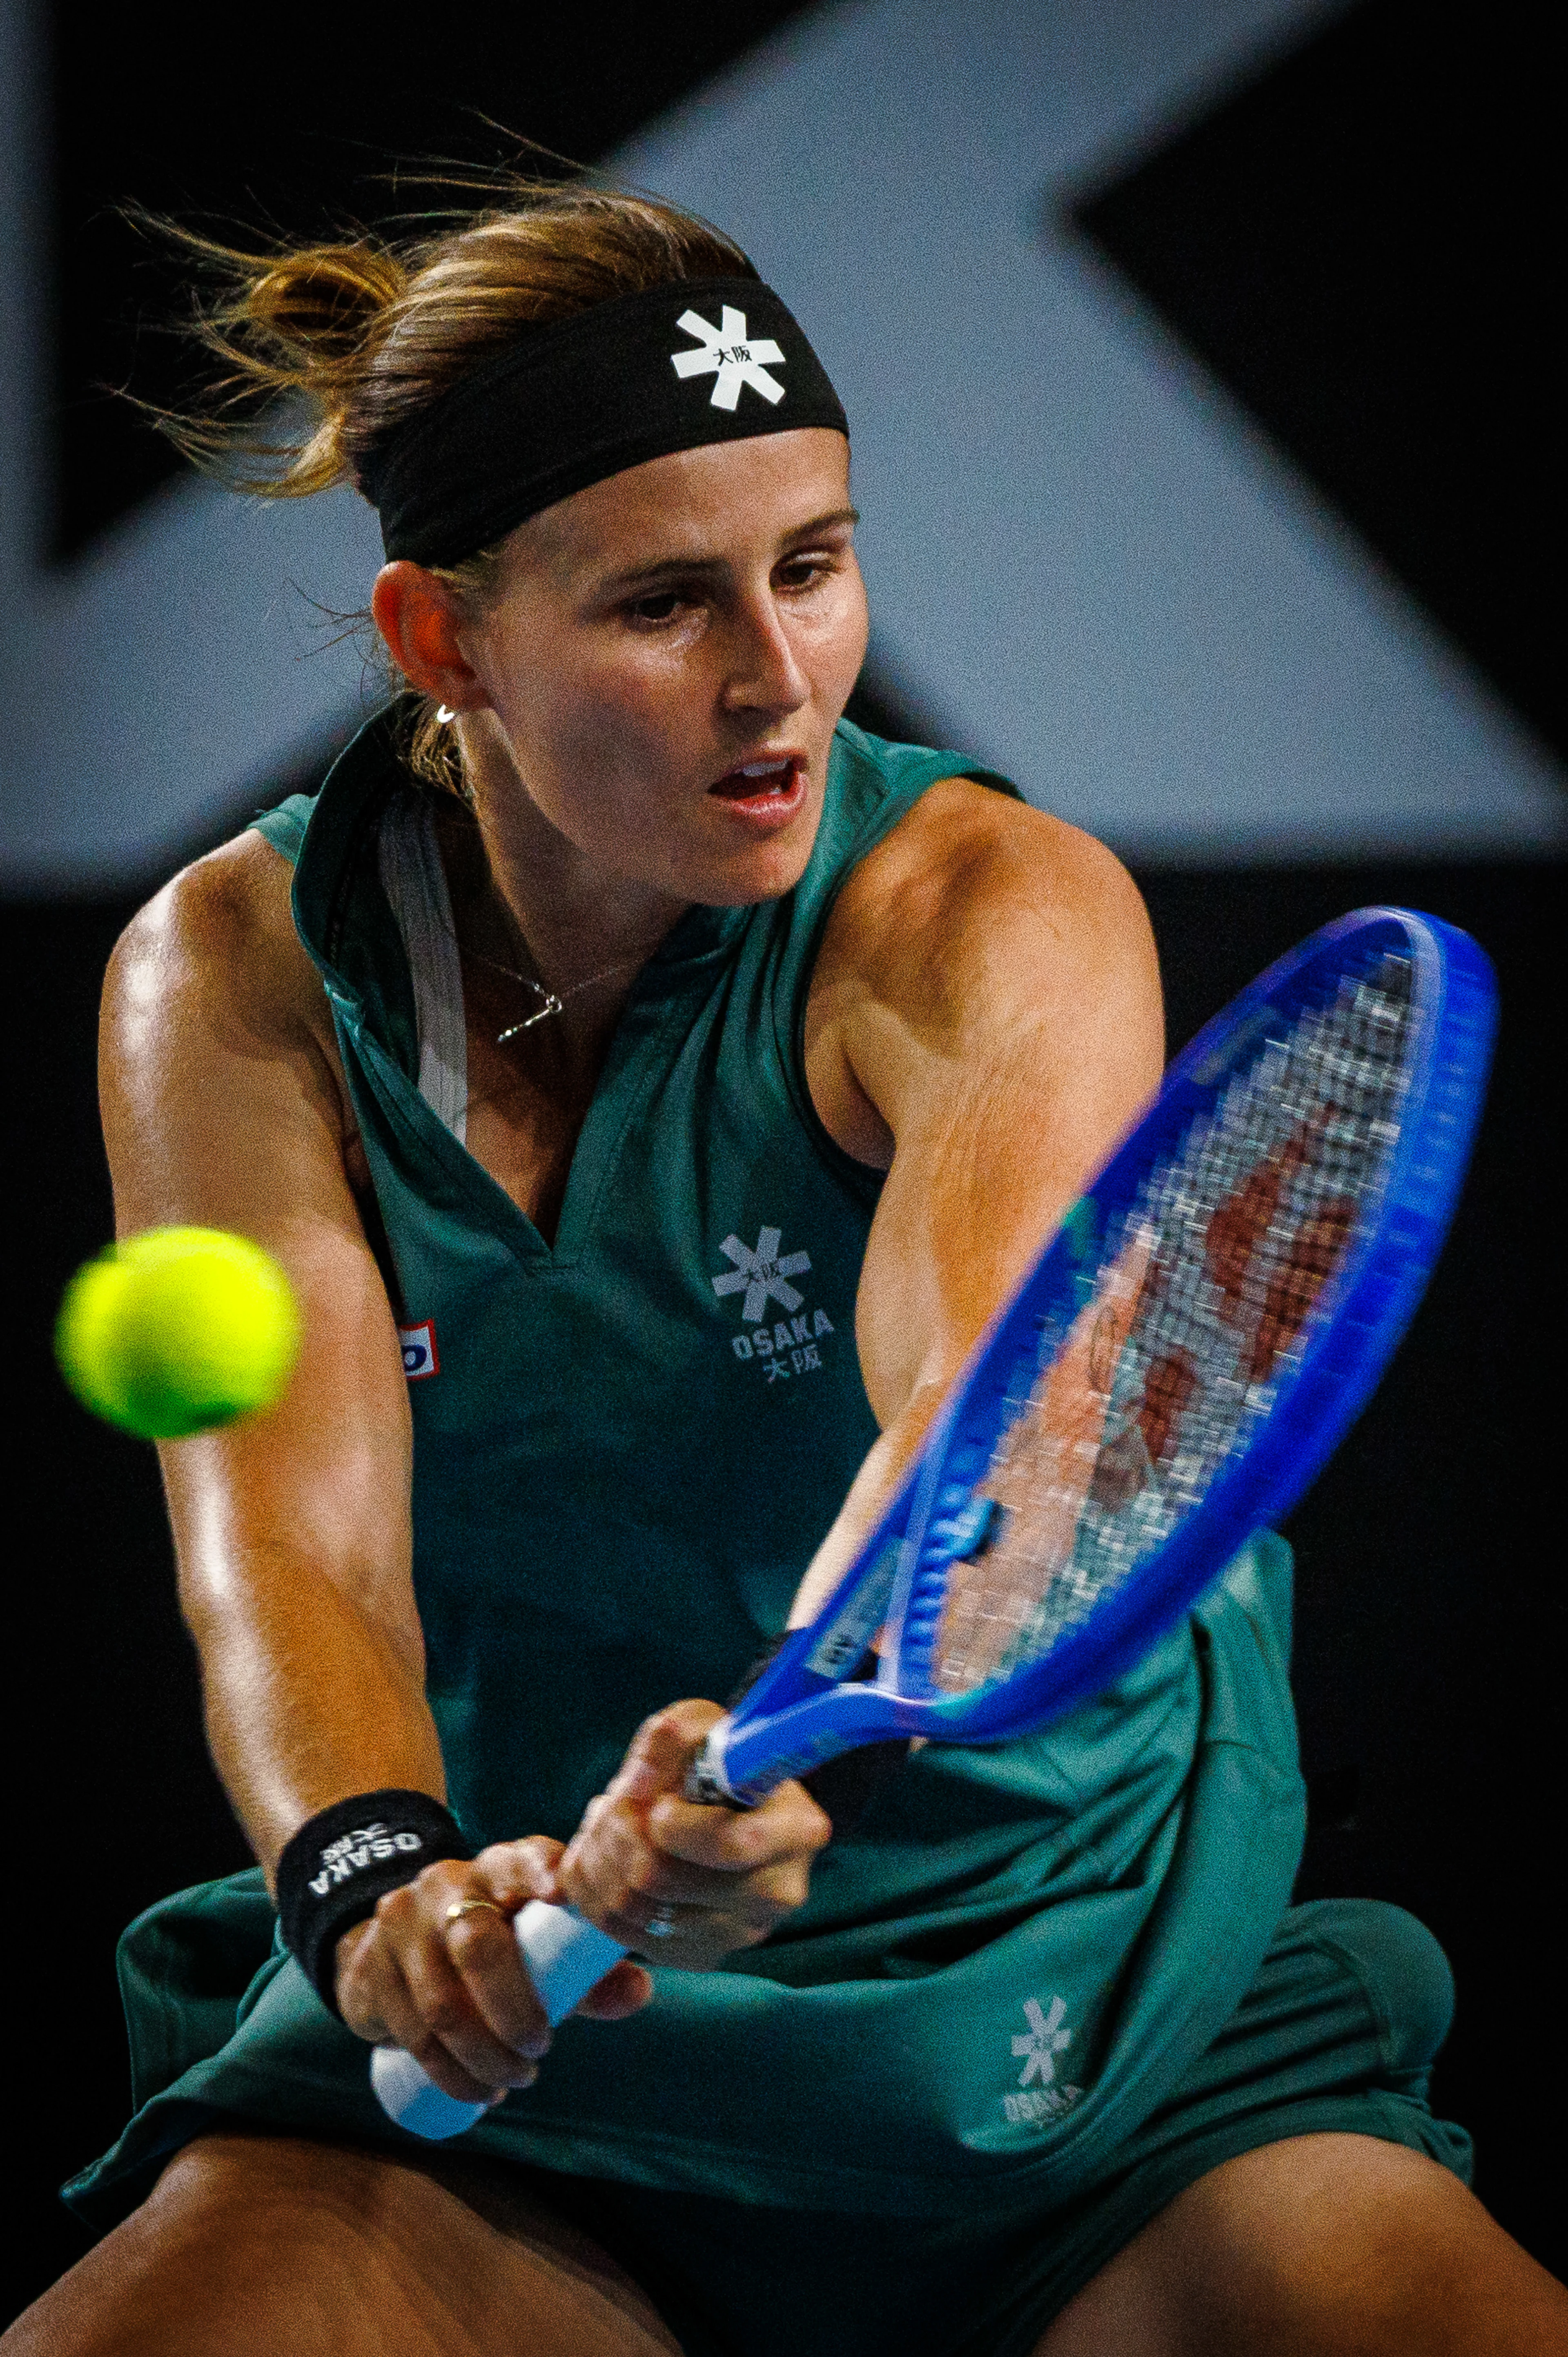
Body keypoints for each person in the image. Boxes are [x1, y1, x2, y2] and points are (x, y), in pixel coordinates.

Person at [7, 176, 1564, 2357]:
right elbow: (286, 1548)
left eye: (813, 569)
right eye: (665, 603)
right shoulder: (230, 974)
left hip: (1076, 2030)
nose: (779, 678)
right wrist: (386, 1899)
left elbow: (986, 1430)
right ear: (445, 646)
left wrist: (740, 1764)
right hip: (545, 2069)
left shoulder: (987, 910)